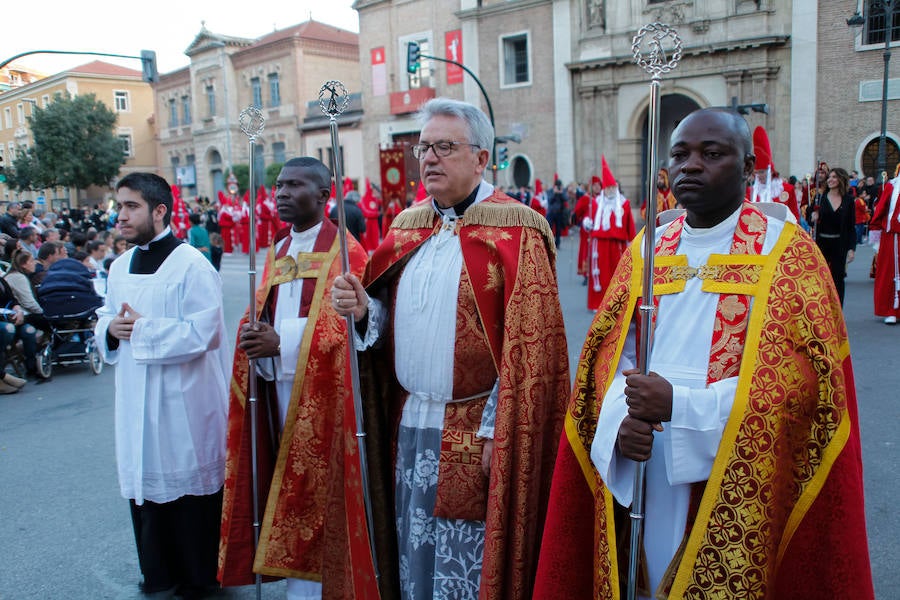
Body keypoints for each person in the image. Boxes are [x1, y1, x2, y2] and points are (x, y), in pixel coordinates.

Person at [533, 107, 873, 600]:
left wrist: (681, 408)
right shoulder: (648, 249)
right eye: (680, 154)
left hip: (732, 468)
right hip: (643, 459)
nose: (691, 166)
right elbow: (607, 360)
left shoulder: (787, 254)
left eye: (712, 154)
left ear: (748, 167)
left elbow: (802, 389)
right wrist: (617, 421)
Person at [331, 98, 570, 600]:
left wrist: (495, 433)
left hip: (475, 426)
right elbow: (386, 319)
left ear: (481, 158)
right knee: (410, 549)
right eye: (423, 148)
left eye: (444, 146)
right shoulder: (406, 227)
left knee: (466, 559)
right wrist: (361, 311)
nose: (429, 159)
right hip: (410, 421)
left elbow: (529, 347)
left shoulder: (518, 230)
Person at [218, 157, 374, 599]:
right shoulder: (277, 251)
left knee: (320, 495)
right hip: (276, 389)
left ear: (324, 196)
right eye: (279, 186)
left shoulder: (347, 251)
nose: (281, 194)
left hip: (324, 394)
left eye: (294, 185)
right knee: (281, 485)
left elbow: (345, 327)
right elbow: (260, 310)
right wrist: (254, 339)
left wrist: (281, 342)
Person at [95, 172, 229, 599]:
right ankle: (158, 573)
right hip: (136, 395)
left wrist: (143, 330)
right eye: (119, 207)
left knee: (187, 485)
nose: (121, 216)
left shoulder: (192, 264)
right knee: (146, 483)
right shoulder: (118, 266)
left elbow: (206, 331)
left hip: (183, 399)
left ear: (159, 211)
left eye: (131, 206)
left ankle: (198, 575)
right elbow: (107, 317)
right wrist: (112, 329)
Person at [585, 156, 636, 310]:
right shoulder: (596, 203)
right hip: (599, 244)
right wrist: (587, 223)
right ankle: (598, 303)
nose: (610, 191)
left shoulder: (624, 203)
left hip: (618, 244)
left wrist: (633, 243)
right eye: (607, 189)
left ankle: (618, 303)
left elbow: (630, 226)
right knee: (600, 274)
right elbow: (590, 221)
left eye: (612, 188)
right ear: (604, 189)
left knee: (617, 274)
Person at [809, 167, 856, 304]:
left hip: (839, 244)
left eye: (834, 177)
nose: (830, 179)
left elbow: (850, 226)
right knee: (819, 278)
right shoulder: (819, 198)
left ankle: (838, 311)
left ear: (841, 179)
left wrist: (851, 248)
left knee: (838, 279)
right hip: (822, 244)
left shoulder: (848, 200)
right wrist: (813, 216)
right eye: (829, 177)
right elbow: (809, 220)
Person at [746, 126, 800, 221]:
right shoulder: (749, 192)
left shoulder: (787, 190)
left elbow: (795, 218)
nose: (759, 176)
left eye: (762, 172)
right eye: (756, 172)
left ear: (770, 170)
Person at [870, 164, 900, 324]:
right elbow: (880, 209)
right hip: (893, 236)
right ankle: (891, 309)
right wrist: (875, 232)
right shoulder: (891, 186)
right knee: (891, 273)